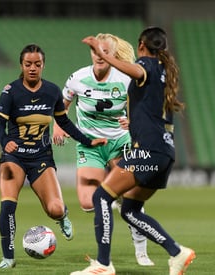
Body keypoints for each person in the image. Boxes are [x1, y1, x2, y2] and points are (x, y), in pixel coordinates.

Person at [71, 27, 196, 275]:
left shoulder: (146, 65)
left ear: (141, 45)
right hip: (165, 152)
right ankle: (177, 252)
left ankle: (103, 265)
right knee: (129, 209)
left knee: (101, 197)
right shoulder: (165, 71)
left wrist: (104, 55)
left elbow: (138, 70)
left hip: (147, 150)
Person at [0, 44, 107, 269]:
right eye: (28, 64)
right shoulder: (10, 92)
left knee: (54, 208)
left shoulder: (53, 91)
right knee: (7, 205)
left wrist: (86, 140)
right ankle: (8, 257)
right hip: (13, 158)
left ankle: (62, 216)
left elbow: (63, 122)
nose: (33, 68)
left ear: (43, 65)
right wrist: (6, 142)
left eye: (37, 64)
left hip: (41, 158)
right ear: (21, 66)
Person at [53, 33, 154, 266]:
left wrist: (134, 122)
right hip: (90, 145)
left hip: (121, 142)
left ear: (111, 54)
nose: (99, 55)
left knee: (131, 196)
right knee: (88, 203)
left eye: (104, 51)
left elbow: (145, 108)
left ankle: (141, 250)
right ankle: (113, 198)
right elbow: (61, 107)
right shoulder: (78, 78)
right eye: (95, 50)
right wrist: (58, 126)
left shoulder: (125, 78)